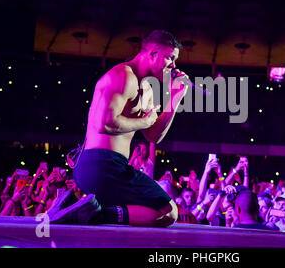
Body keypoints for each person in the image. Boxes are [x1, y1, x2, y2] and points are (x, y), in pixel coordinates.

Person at [51, 30, 187, 227]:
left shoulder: (147, 89)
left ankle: (76, 206)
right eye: (170, 58)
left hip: (107, 166)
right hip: (103, 164)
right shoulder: (123, 75)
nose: (174, 65)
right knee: (167, 211)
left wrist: (174, 99)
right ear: (153, 53)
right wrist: (144, 122)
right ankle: (90, 213)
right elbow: (104, 123)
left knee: (150, 211)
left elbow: (153, 137)